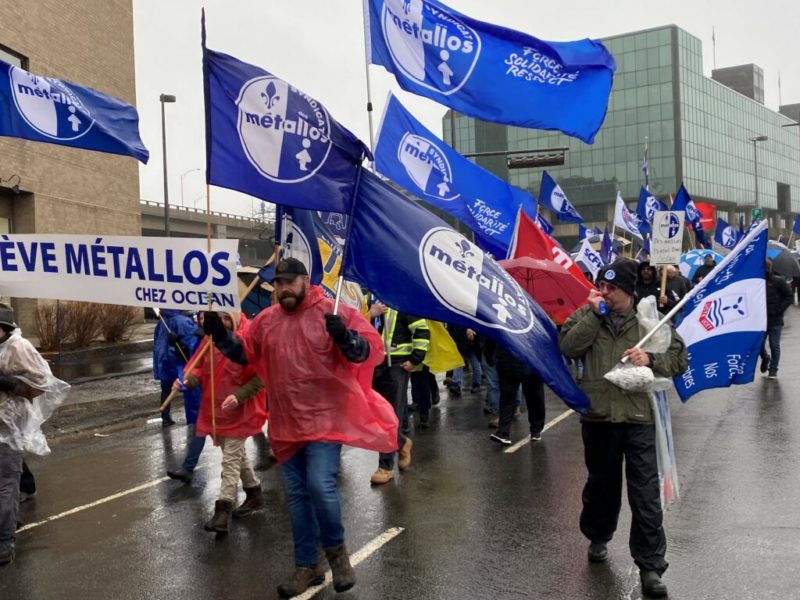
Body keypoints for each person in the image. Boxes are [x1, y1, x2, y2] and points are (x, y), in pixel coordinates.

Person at [202, 258, 397, 598]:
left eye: (290, 282)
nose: (283, 288)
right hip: (285, 426)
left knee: (319, 486)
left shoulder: (330, 312)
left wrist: (346, 338)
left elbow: (365, 351)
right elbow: (244, 353)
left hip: (324, 422)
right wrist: (220, 334)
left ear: (306, 281)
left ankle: (337, 556)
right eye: (278, 283)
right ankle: (306, 567)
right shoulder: (266, 321)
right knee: (297, 498)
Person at [559, 260, 688, 598]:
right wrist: (594, 314)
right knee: (602, 486)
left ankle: (650, 565)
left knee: (645, 494)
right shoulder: (588, 314)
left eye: (611, 288)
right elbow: (568, 347)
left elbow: (679, 358)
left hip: (639, 419)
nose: (603, 292)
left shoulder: (650, 320)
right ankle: (598, 536)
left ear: (629, 292)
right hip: (599, 418)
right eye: (601, 285)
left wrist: (651, 359)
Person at [176, 311, 268, 533]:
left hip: (239, 411)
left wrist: (238, 396)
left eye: (227, 317)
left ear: (235, 318)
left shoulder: (247, 342)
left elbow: (262, 376)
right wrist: (187, 382)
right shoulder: (210, 341)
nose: (223, 322)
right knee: (236, 455)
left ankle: (222, 509)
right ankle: (254, 492)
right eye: (219, 318)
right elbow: (200, 369)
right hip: (216, 410)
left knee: (230, 460)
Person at [0, 303, 68, 566]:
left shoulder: (19, 347)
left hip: (8, 429)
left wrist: (8, 383)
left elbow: (41, 384)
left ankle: (5, 542)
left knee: (6, 486)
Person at [367, 301, 428, 485]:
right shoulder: (368, 301)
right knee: (376, 416)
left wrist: (415, 359)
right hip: (373, 364)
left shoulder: (401, 301)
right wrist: (370, 313)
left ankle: (385, 467)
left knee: (389, 416)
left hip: (396, 366)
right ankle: (402, 443)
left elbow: (422, 331)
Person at [489, 344, 545, 445]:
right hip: (530, 360)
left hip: (508, 361)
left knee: (508, 399)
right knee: (534, 398)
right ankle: (536, 430)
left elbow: (492, 335)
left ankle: (503, 432)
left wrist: (491, 356)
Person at [153, 310, 199, 427]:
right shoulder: (183, 321)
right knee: (188, 388)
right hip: (178, 361)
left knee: (166, 388)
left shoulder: (161, 322)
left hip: (164, 361)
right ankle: (192, 418)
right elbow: (193, 341)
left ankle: (165, 417)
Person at [759, 260, 793, 379]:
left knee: (774, 345)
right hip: (760, 321)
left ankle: (773, 369)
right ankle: (765, 357)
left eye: (767, 267)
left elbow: (789, 297)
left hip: (775, 320)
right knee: (759, 345)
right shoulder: (757, 283)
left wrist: (778, 310)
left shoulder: (778, 281)